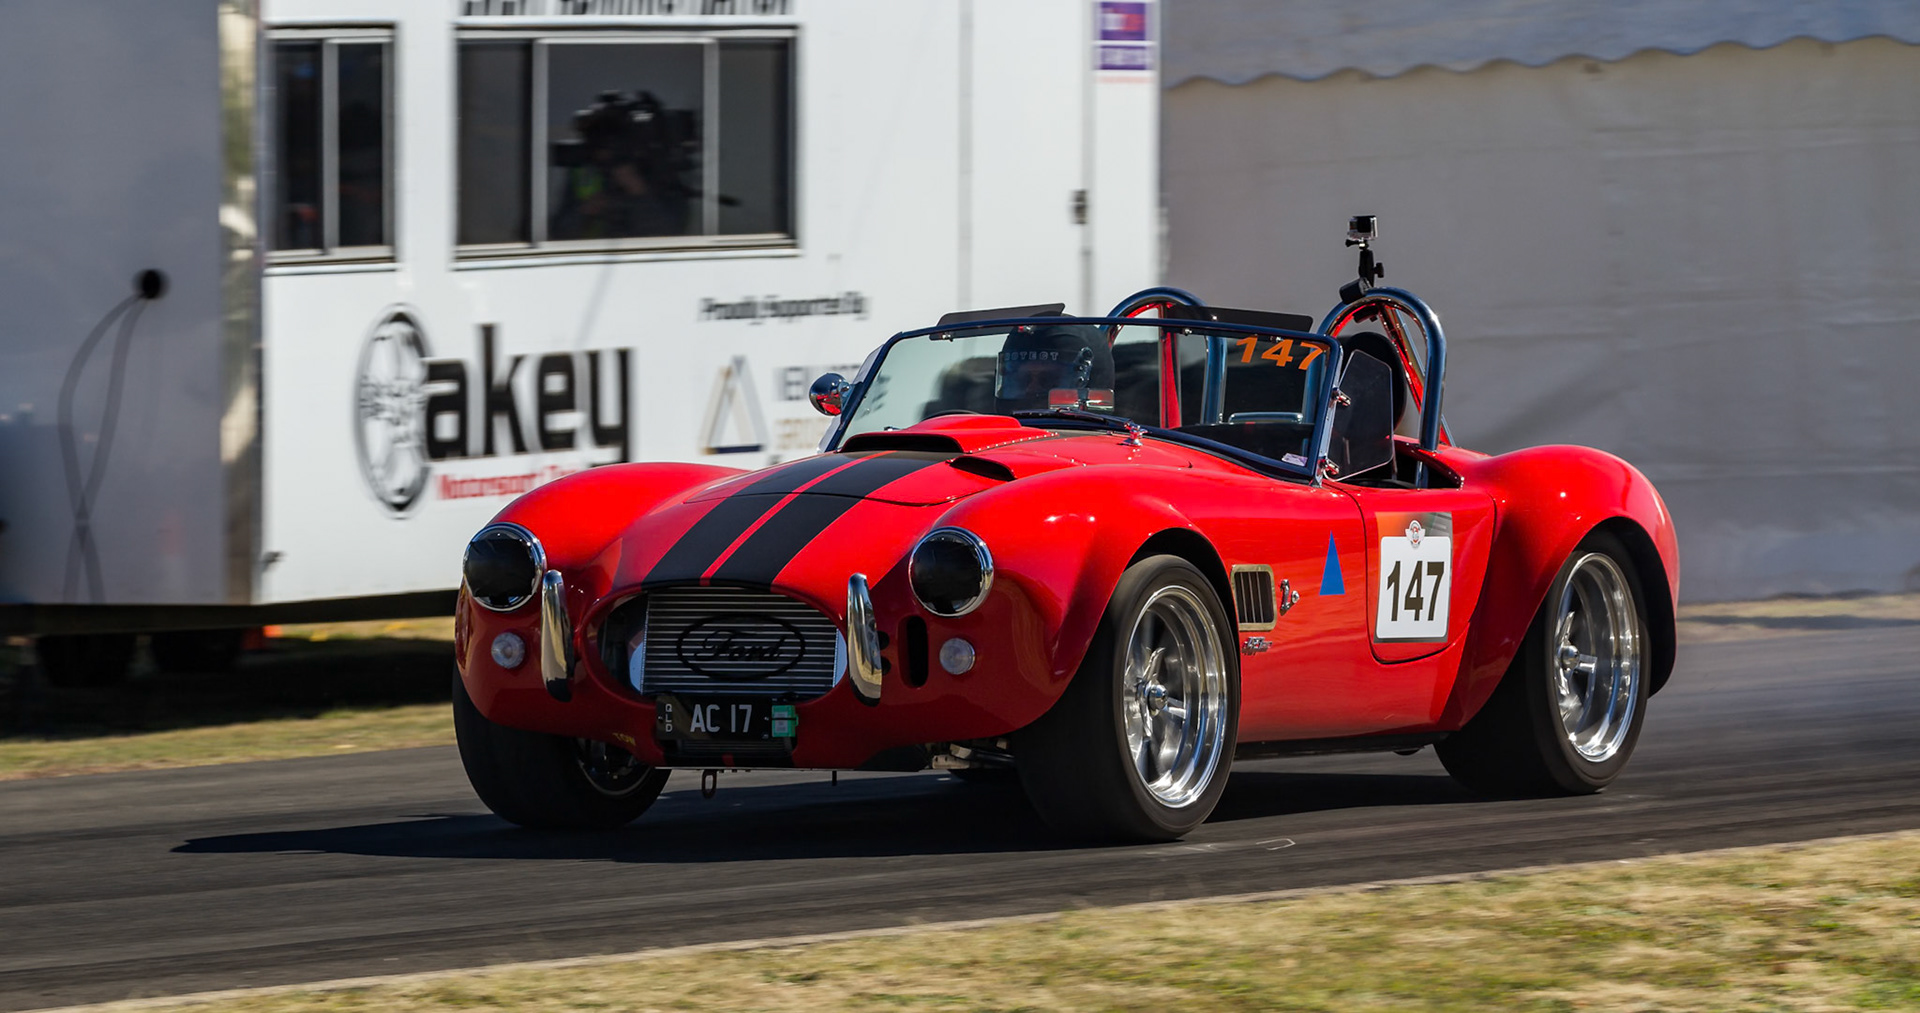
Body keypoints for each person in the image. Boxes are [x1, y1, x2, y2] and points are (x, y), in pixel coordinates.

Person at [994, 323, 1114, 413]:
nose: (1031, 389)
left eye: (1048, 380)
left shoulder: (1123, 439)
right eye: (1022, 380)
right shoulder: (994, 437)